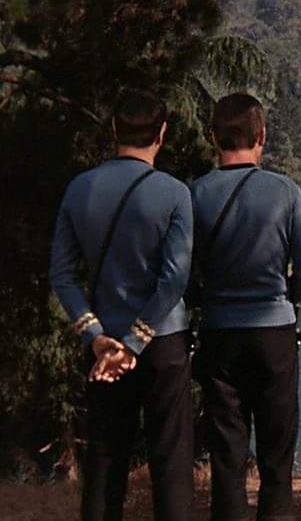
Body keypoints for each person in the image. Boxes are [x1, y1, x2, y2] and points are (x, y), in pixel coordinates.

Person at [50, 89, 194, 520]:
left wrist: (96, 336)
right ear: (162, 134)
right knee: (171, 462)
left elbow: (63, 275)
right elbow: (174, 280)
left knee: (104, 462)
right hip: (163, 341)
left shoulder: (80, 188)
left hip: (103, 348)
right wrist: (136, 342)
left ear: (113, 129)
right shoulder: (174, 193)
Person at [190, 93, 301, 521]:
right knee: (277, 454)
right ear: (261, 136)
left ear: (214, 137)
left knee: (226, 454)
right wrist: (286, 298)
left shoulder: (195, 194)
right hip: (274, 333)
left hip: (219, 335)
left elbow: (182, 271)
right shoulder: (285, 192)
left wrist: (204, 300)